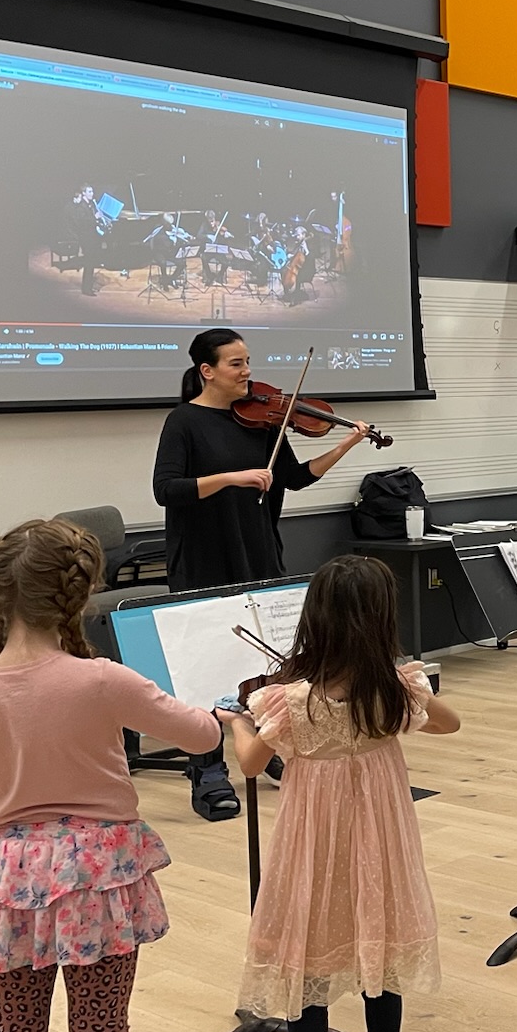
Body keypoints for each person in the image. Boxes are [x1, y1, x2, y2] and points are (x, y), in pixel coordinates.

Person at [0, 518, 225, 1032]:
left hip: (9, 876)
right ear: (77, 595)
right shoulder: (102, 679)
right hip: (96, 876)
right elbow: (203, 735)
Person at [218, 555, 459, 1032]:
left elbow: (250, 765)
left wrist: (236, 723)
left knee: (309, 962)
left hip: (317, 845)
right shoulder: (395, 688)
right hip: (382, 841)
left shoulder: (293, 700)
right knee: (381, 944)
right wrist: (408, 697)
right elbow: (448, 724)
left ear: (316, 618)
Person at [152, 328, 372, 821]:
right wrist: (232, 478)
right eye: (236, 363)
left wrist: (348, 443)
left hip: (258, 550)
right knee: (207, 666)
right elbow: (166, 489)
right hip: (203, 557)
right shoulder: (184, 421)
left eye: (247, 360)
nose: (247, 371)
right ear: (207, 371)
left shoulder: (264, 422)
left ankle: (265, 746)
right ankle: (207, 769)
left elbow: (294, 478)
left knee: (263, 664)